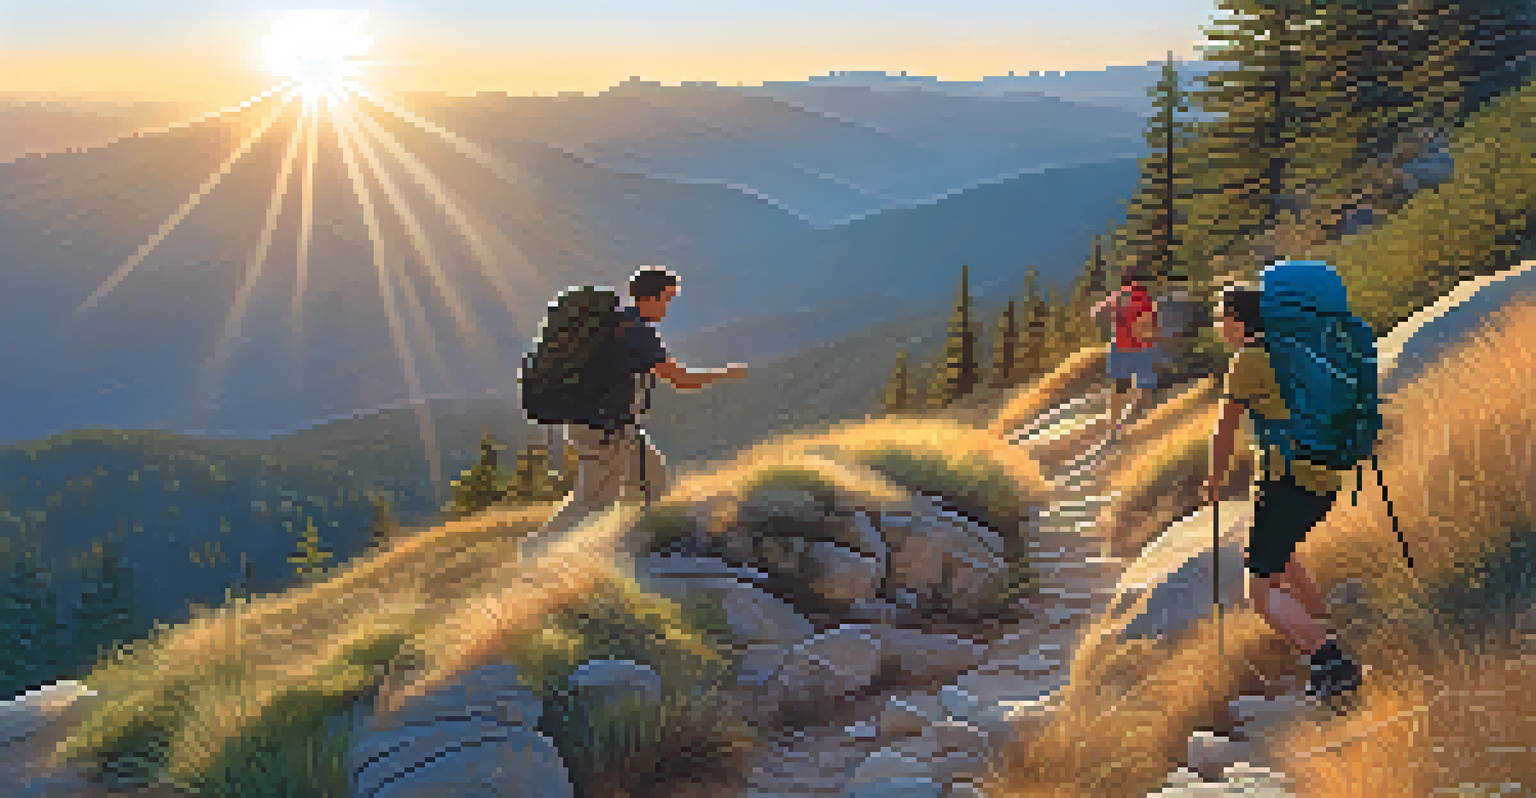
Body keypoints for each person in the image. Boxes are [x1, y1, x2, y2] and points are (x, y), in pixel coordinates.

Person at [1202, 283, 1362, 704]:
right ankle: (1329, 631)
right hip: (1323, 477)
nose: (1220, 326)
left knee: (1259, 593)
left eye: (1222, 318)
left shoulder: (1247, 362)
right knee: (1285, 561)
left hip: (1283, 482)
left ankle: (1330, 659)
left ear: (1239, 321)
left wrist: (1214, 480)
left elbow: (1225, 429)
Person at [533, 266, 747, 544]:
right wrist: (726, 373)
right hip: (603, 429)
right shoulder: (638, 332)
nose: (667, 308)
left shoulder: (614, 323)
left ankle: (637, 542)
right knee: (592, 502)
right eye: (666, 299)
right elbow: (679, 379)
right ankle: (534, 552)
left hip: (601, 424)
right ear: (651, 298)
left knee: (651, 479)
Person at [1090, 275, 1166, 441]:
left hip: (1120, 347)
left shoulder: (1119, 296)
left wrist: (1110, 325)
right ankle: (1131, 423)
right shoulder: (1146, 298)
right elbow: (1154, 325)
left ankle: (1114, 430)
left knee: (1119, 390)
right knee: (1145, 389)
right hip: (1143, 349)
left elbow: (1096, 312)